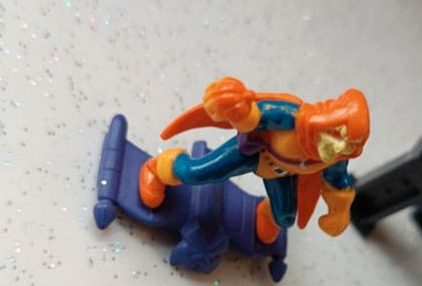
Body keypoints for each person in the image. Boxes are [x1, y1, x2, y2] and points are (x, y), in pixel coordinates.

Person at [138, 76, 370, 242]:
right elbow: (254, 117)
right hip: (253, 154)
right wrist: (235, 106)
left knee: (285, 218)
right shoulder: (291, 117)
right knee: (196, 173)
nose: (339, 148)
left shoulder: (335, 157)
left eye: (349, 146)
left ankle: (263, 214)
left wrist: (339, 212)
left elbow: (337, 182)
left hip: (281, 174)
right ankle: (157, 168)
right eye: (340, 138)